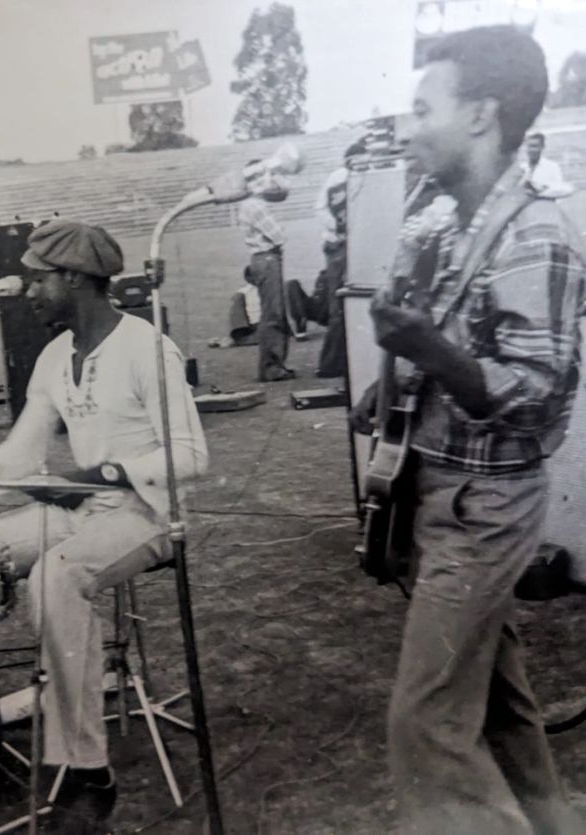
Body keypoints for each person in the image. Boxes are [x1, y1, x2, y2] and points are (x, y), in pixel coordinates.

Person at [350, 26, 586, 834]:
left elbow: (534, 393)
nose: (406, 127)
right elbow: (459, 355)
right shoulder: (453, 224)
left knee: (425, 727)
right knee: (494, 706)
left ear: (482, 115)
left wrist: (426, 348)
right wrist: (398, 383)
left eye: (422, 108)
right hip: (445, 492)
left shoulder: (535, 236)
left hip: (482, 509)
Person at [0, 219, 209, 828]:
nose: (28, 292)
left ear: (74, 279)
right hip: (77, 510)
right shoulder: (53, 356)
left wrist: (104, 474)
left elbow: (191, 455)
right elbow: (20, 457)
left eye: (37, 280)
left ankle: (85, 772)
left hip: (146, 515)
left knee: (55, 576)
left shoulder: (146, 347)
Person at [286, 142, 366, 378]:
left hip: (353, 244)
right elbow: (320, 208)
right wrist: (340, 227)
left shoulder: (362, 177)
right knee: (339, 305)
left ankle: (347, 359)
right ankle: (331, 363)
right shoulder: (338, 178)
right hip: (339, 245)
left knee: (352, 302)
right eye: (357, 160)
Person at [234, 162, 295, 381]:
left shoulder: (248, 204)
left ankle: (273, 364)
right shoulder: (255, 206)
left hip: (261, 259)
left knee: (272, 311)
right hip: (267, 258)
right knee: (273, 313)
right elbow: (279, 236)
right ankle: (272, 366)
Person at [521, 131, 573, 198]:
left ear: (542, 147)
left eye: (534, 146)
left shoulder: (552, 167)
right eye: (529, 146)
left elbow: (561, 190)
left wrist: (540, 191)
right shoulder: (522, 168)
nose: (531, 150)